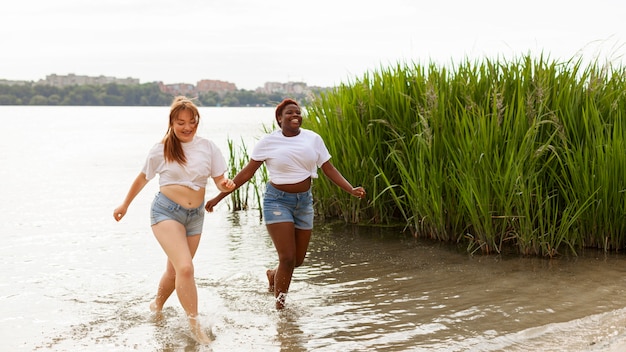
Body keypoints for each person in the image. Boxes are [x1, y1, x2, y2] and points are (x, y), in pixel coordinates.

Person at [205, 98, 365, 309]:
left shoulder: (313, 139)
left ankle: (273, 275)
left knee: (297, 261)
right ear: (279, 119)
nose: (295, 116)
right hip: (277, 201)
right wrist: (219, 196)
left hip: (304, 203)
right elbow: (246, 174)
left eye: (297, 112)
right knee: (287, 258)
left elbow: (329, 169)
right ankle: (281, 309)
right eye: (289, 113)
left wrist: (350, 189)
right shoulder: (268, 142)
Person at [113, 96, 235, 344]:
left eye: (192, 122)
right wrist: (125, 204)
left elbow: (219, 179)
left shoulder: (208, 147)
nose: (187, 127)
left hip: (195, 216)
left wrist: (225, 184)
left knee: (174, 270)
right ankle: (195, 325)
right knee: (186, 268)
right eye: (181, 122)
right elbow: (142, 178)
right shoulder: (161, 149)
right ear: (171, 122)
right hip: (166, 212)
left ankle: (156, 306)